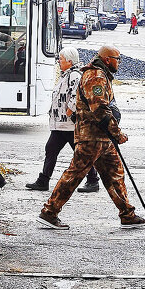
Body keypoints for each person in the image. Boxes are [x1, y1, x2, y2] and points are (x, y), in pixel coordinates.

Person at [39, 44, 145, 230]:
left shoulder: (101, 74)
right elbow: (99, 109)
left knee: (115, 175)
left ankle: (127, 214)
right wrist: (117, 133)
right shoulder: (96, 76)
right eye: (117, 59)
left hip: (102, 139)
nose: (119, 63)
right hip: (91, 138)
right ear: (107, 59)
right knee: (74, 175)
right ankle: (49, 212)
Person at [25, 47, 100, 193]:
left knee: (80, 154)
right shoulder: (65, 75)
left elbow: (76, 95)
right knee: (51, 149)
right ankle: (44, 180)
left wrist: (69, 110)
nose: (59, 61)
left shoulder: (74, 76)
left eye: (61, 59)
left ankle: (93, 180)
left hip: (69, 124)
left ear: (70, 61)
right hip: (61, 124)